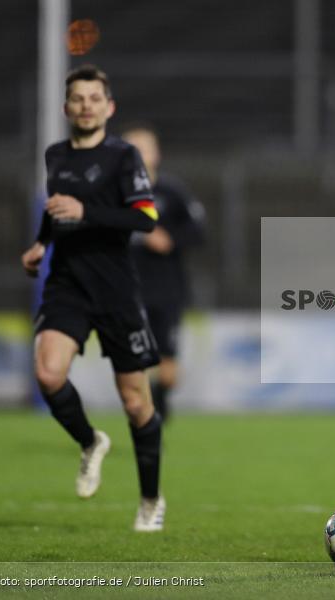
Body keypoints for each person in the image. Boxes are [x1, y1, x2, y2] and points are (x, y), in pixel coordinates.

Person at [20, 65, 166, 532]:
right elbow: (55, 207)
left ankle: (149, 499)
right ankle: (89, 442)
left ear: (109, 107)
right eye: (78, 98)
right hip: (67, 285)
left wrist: (88, 212)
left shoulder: (124, 157)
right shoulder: (55, 154)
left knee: (136, 404)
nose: (86, 105)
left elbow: (145, 219)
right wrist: (42, 242)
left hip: (116, 290)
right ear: (67, 108)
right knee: (47, 374)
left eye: (94, 98)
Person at [123, 125, 205, 423]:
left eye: (144, 147)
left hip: (167, 289)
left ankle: (159, 400)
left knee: (168, 371)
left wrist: (170, 240)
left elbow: (198, 231)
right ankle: (145, 418)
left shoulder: (173, 192)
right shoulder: (114, 194)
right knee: (135, 362)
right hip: (127, 289)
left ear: (156, 153)